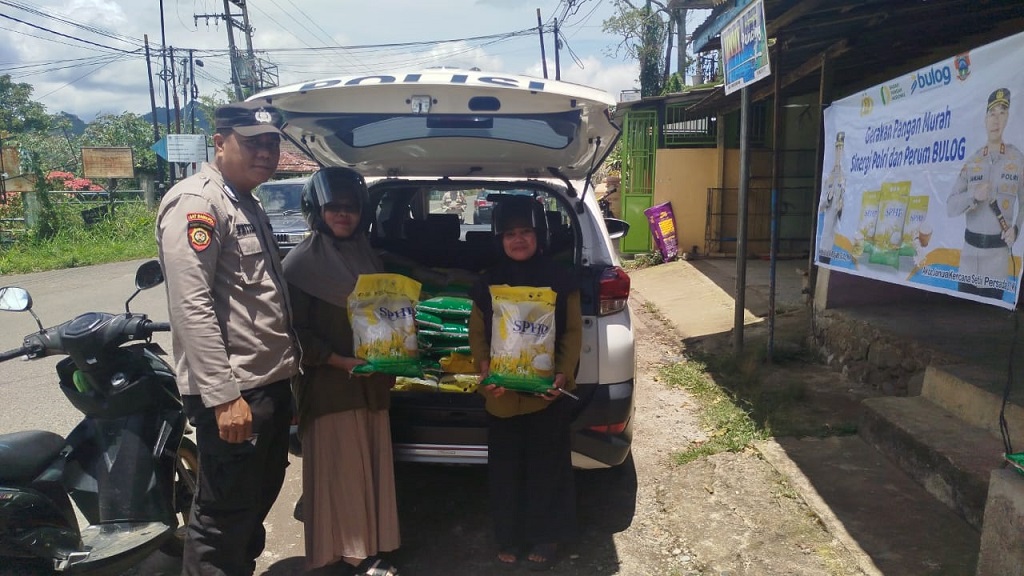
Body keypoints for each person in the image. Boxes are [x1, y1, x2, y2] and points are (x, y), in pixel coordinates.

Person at [155, 100, 299, 576]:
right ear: (219, 142)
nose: (265, 152)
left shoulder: (246, 201)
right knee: (221, 520)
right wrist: (222, 397)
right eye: (252, 142)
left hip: (267, 385)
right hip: (235, 393)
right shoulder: (198, 204)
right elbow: (190, 307)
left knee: (252, 507)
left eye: (272, 143)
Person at [282, 167, 402, 576]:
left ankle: (367, 547)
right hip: (332, 384)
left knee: (368, 462)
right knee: (341, 468)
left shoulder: (366, 255)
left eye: (351, 208)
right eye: (333, 208)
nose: (343, 216)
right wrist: (339, 362)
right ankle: (348, 554)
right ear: (316, 210)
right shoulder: (300, 264)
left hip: (371, 382)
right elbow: (295, 332)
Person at [467, 195, 583, 571]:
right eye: (510, 233)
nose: (518, 240)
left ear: (540, 236)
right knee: (506, 469)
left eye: (527, 233)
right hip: (501, 397)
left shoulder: (561, 279)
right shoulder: (487, 283)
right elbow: (478, 334)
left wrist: (563, 373)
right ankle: (510, 536)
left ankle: (547, 536)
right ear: (498, 239)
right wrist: (485, 376)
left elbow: (572, 332)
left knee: (547, 467)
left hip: (545, 396)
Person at [947, 88, 1024, 299]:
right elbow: (950, 206)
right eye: (992, 113)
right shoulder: (972, 161)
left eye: (1002, 113)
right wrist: (973, 194)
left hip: (997, 261)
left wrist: (1016, 228)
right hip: (969, 259)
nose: (996, 119)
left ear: (1007, 118)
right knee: (963, 317)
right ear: (985, 119)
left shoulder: (1017, 159)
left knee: (991, 320)